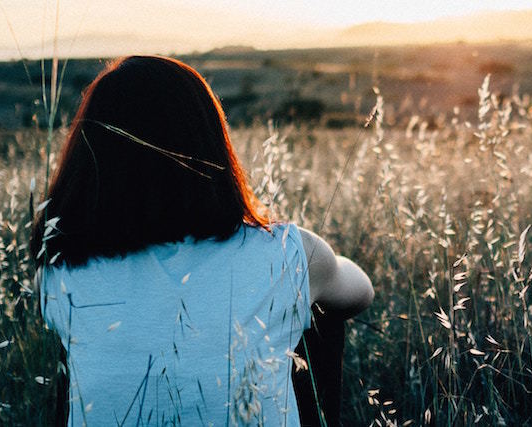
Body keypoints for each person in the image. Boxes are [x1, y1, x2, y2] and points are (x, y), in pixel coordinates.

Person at [31, 55, 373, 426]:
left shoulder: (59, 271)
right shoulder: (286, 255)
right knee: (317, 320)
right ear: (210, 143)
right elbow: (360, 293)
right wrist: (323, 265)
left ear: (89, 156)